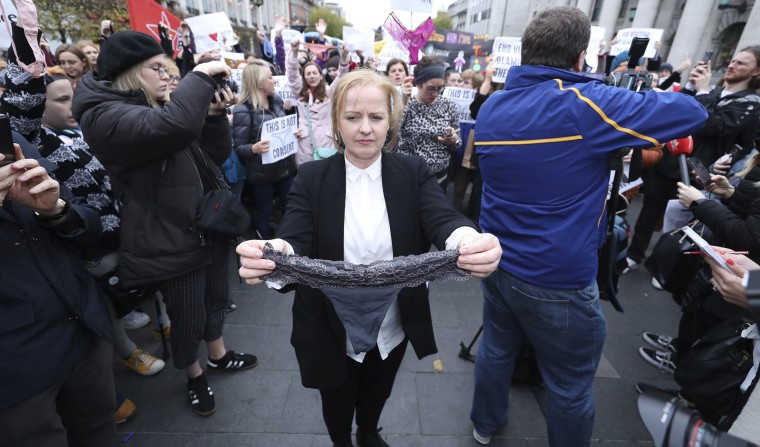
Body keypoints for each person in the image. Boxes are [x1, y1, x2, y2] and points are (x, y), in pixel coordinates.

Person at [469, 7, 708, 447]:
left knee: (497, 349)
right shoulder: (585, 106)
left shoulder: (494, 106)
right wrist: (621, 86)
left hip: (498, 261)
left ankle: (484, 425)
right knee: (570, 383)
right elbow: (691, 112)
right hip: (557, 277)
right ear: (581, 59)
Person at [236, 69, 502, 447]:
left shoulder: (412, 172)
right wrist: (273, 254)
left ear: (390, 121)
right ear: (337, 121)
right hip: (329, 327)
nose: (365, 128)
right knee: (336, 398)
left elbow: (442, 217)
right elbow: (293, 237)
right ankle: (342, 440)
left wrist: (469, 240)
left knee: (379, 389)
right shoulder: (311, 177)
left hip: (392, 324)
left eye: (376, 117)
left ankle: (368, 431)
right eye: (352, 117)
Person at [72, 30, 258, 416]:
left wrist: (212, 116)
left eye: (169, 69)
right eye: (157, 68)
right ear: (129, 73)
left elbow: (213, 155)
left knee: (216, 300)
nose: (167, 76)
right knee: (187, 314)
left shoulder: (158, 105)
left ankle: (218, 355)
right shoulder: (105, 114)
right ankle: (194, 375)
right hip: (169, 235)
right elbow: (172, 129)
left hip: (205, 225)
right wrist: (201, 75)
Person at [0, 142, 116, 446]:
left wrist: (55, 209)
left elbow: (89, 227)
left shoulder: (13, 141)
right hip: (16, 368)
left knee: (100, 433)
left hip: (83, 330)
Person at [233, 59, 300, 239]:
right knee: (264, 210)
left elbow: (283, 128)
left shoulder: (276, 100)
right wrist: (253, 148)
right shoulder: (243, 110)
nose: (274, 81)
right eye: (270, 77)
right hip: (262, 174)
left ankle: (290, 243)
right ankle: (265, 248)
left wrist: (294, 131)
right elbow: (239, 147)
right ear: (259, 82)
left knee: (290, 207)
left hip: (285, 168)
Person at [398, 56, 460, 190]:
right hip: (408, 178)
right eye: (431, 89)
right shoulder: (406, 104)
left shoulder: (449, 106)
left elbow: (458, 141)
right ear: (419, 84)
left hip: (438, 178)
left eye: (440, 88)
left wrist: (453, 140)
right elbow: (392, 135)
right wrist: (403, 101)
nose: (436, 94)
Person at [286, 38, 349, 165]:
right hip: (305, 142)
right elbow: (292, 75)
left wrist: (343, 58)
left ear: (321, 76)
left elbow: (341, 77)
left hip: (326, 140)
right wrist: (294, 52)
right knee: (308, 175)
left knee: (327, 173)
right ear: (304, 77)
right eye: (308, 73)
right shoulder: (299, 93)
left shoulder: (329, 92)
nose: (312, 76)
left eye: (315, 73)